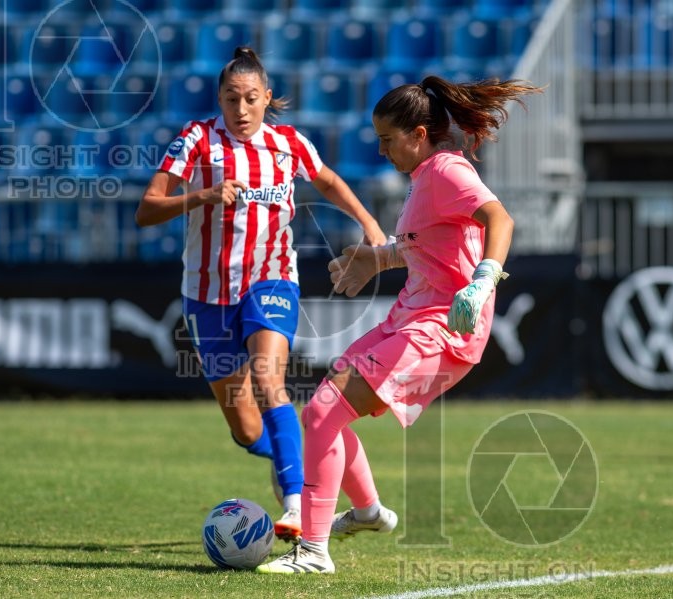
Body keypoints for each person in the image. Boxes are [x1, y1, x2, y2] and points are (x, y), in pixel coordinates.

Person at [256, 74, 543, 573]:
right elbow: (425, 246)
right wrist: (378, 260)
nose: (383, 150)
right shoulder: (422, 181)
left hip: (443, 329)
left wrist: (482, 282)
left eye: (388, 139)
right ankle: (367, 511)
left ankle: (314, 553)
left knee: (324, 412)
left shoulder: (448, 171)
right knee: (323, 413)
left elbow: (501, 220)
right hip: (409, 318)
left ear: (417, 133)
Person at [135, 47, 386, 541]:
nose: (242, 109)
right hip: (206, 294)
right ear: (219, 101)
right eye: (232, 99)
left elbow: (329, 181)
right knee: (247, 429)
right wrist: (201, 196)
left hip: (271, 281)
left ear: (267, 98)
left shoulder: (288, 143)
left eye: (251, 98)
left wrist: (369, 221)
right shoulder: (196, 140)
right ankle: (294, 456)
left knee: (271, 379)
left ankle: (296, 502)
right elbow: (147, 210)